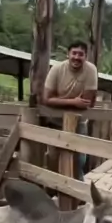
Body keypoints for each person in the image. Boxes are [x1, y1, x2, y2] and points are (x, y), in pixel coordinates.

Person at [42, 40, 98, 180]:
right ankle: (54, 188)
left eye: (81, 54)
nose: (77, 57)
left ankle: (78, 190)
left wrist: (59, 100)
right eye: (74, 53)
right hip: (55, 120)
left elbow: (85, 102)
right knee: (53, 158)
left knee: (78, 159)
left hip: (79, 121)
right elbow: (46, 99)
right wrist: (73, 102)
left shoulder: (91, 70)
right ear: (68, 54)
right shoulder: (57, 69)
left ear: (86, 57)